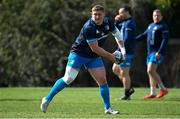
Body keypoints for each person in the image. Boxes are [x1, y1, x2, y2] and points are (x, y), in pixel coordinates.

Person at [40, 4, 126, 114]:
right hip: (79, 54)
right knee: (68, 78)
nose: (97, 17)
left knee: (103, 80)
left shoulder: (108, 22)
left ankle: (108, 108)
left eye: (99, 14)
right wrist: (112, 57)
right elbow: (95, 48)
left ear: (104, 15)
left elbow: (118, 35)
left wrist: (123, 51)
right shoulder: (89, 27)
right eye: (95, 14)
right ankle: (47, 99)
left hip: (93, 57)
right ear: (91, 14)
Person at [136, 9, 169, 99]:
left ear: (161, 17)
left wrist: (160, 51)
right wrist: (132, 40)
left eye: (158, 15)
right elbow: (144, 35)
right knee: (151, 72)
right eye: (155, 15)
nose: (156, 17)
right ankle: (153, 93)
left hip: (157, 52)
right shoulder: (151, 25)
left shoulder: (163, 26)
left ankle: (163, 89)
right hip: (149, 52)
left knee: (150, 70)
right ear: (152, 16)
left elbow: (165, 40)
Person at [112, 6, 136, 100]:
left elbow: (127, 39)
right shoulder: (123, 22)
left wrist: (122, 50)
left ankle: (127, 95)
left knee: (124, 72)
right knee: (115, 69)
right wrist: (116, 22)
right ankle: (129, 88)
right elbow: (115, 31)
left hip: (126, 51)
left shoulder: (130, 23)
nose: (119, 14)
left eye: (121, 12)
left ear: (127, 12)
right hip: (121, 49)